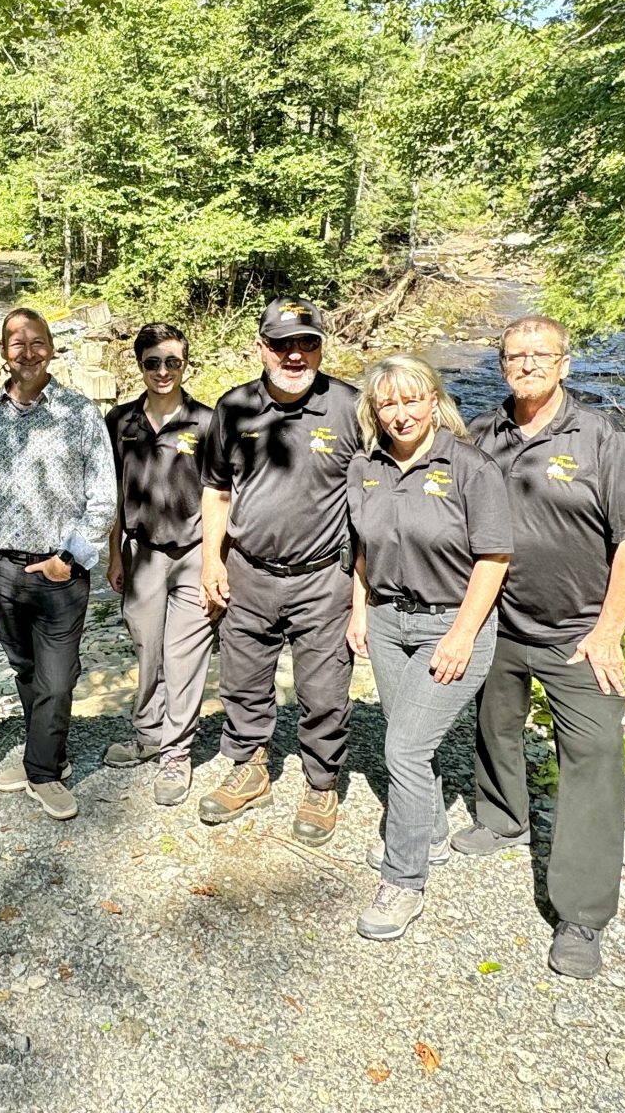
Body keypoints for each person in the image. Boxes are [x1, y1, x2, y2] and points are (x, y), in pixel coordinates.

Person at [466, 316, 625, 979]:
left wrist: (610, 628)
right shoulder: (483, 432)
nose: (527, 364)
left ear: (565, 364)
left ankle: (581, 913)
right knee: (495, 725)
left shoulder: (601, 438)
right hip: (501, 622)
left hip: (580, 635)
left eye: (540, 354)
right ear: (502, 364)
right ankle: (501, 816)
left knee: (595, 759)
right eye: (515, 354)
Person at [346, 354, 512, 941]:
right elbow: (364, 547)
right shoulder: (365, 467)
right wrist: (360, 610)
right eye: (387, 402)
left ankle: (404, 878)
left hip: (453, 623)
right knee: (407, 737)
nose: (399, 412)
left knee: (406, 749)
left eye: (411, 399)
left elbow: (494, 558)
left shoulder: (469, 467)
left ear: (434, 400)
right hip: (389, 622)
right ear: (374, 410)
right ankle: (429, 831)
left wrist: (463, 634)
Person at [197, 297, 362, 844]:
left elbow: (377, 501)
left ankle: (320, 783)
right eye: (282, 343)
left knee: (324, 690)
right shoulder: (234, 407)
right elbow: (217, 491)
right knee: (243, 681)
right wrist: (210, 562)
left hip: (323, 577)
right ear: (261, 346)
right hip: (248, 571)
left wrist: (363, 590)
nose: (295, 355)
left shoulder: (350, 408)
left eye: (307, 343)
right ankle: (250, 766)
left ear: (321, 344)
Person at [0, 308, 117, 820]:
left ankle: (43, 773)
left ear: (51, 347)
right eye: (15, 343)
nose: (26, 352)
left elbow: (103, 496)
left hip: (60, 573)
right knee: (25, 669)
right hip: (3, 569)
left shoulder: (79, 412)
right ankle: (49, 753)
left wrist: (69, 558)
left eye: (36, 342)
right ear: (3, 351)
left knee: (57, 679)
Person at [102, 323, 217, 806]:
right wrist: (113, 555)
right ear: (140, 365)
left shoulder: (208, 422)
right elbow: (109, 494)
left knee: (184, 657)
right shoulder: (120, 422)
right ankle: (149, 733)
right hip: (141, 554)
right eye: (153, 362)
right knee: (148, 649)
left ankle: (177, 751)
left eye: (173, 361)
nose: (164, 371)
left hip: (193, 555)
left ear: (186, 363)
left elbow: (221, 496)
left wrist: (216, 562)